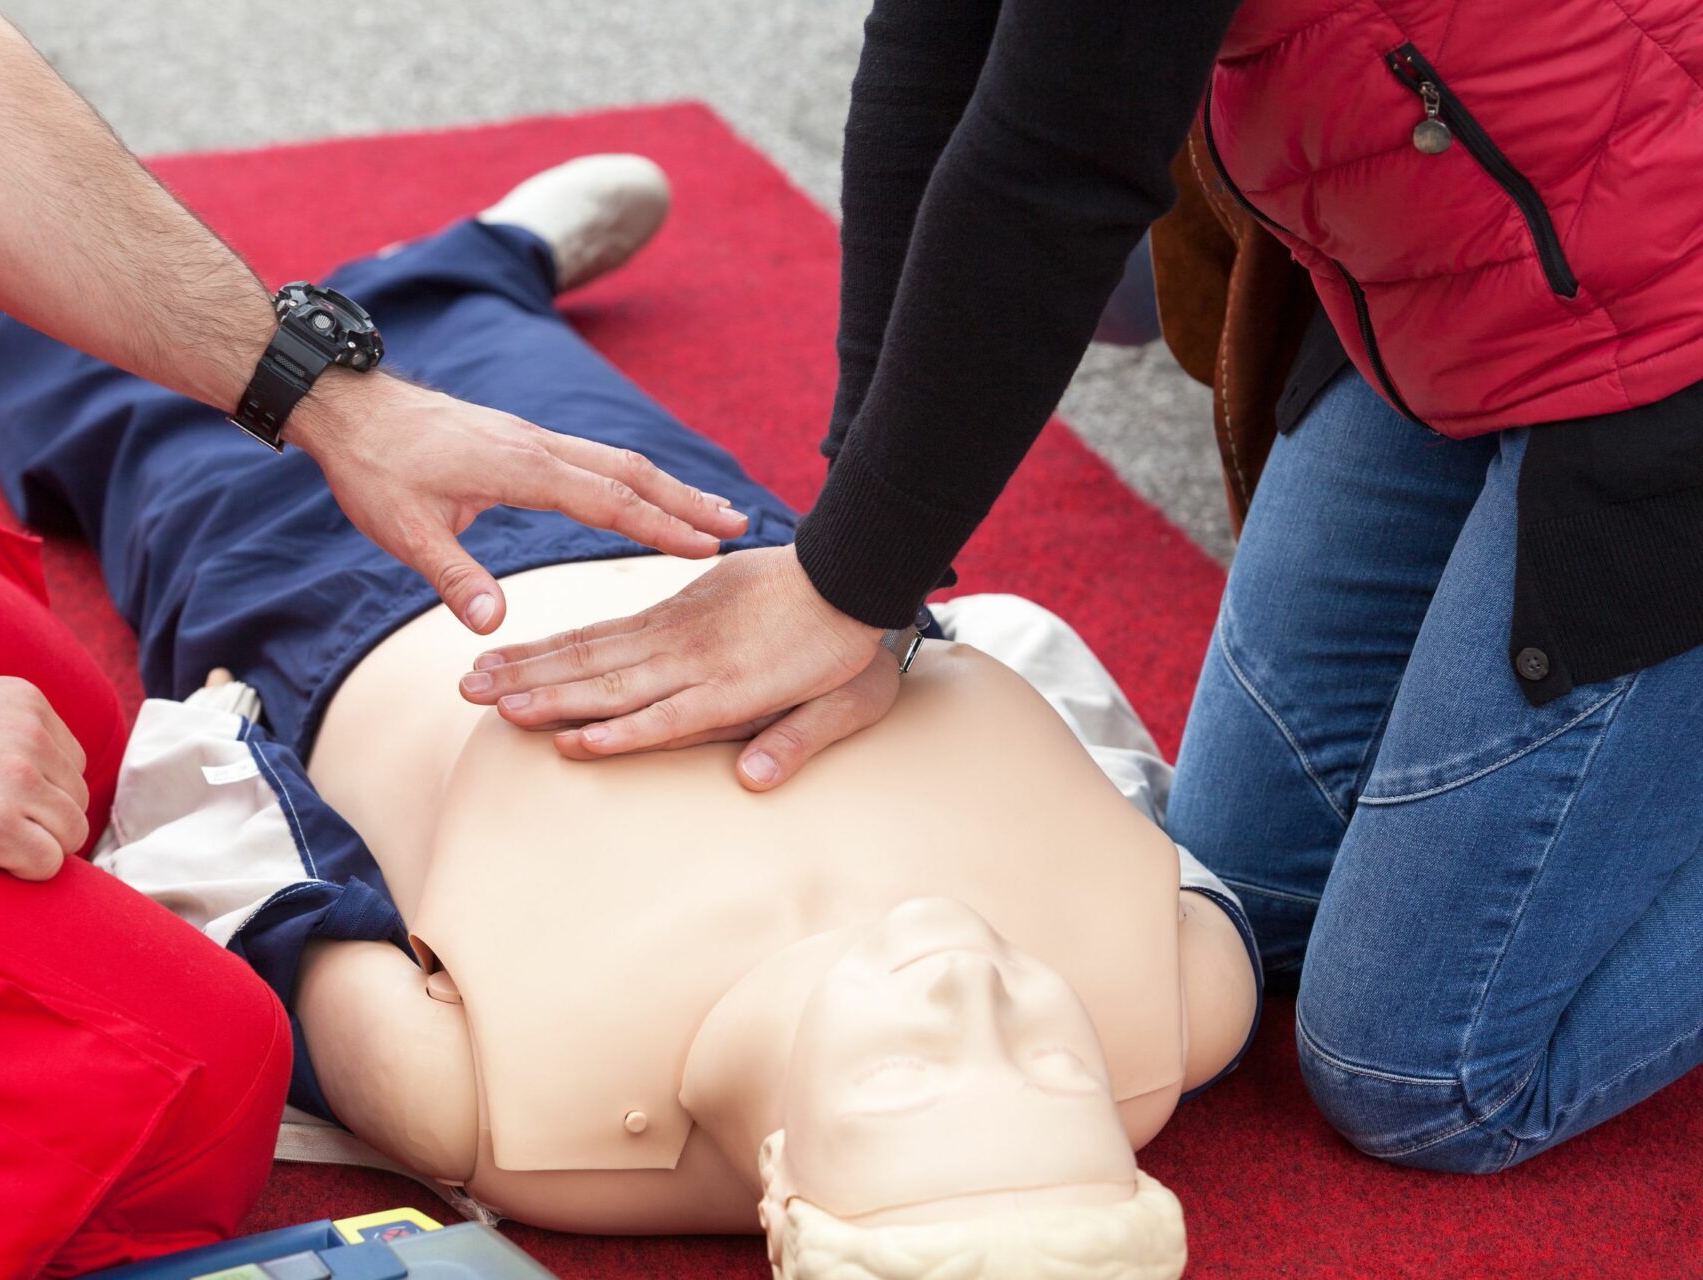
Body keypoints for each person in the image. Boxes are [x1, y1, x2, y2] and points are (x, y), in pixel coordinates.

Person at [0, 157, 1261, 1278]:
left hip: (368, 616)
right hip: (747, 577)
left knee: (140, 416)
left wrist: (241, 719)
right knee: (561, 409)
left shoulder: (508, 1112)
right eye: (1052, 1073)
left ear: (782, 1183)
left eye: (908, 1081)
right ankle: (476, 266)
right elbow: (1078, 731)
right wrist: (920, 619)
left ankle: (85, 285)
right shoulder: (1181, 1005)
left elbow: (260, 874)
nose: (968, 998)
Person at [463, 0, 1703, 1174]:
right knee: (1234, 906)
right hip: (1458, 262)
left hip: (1665, 326)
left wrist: (845, 588)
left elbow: (1056, 165)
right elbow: (931, 65)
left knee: (1425, 1080)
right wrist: (858, 542)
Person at [0, 1, 735, 1273]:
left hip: (438, 616)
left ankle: (405, 298)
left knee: (78, 722)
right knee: (173, 1112)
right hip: (415, 625)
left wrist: (325, 394)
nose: (959, 993)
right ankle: (463, 272)